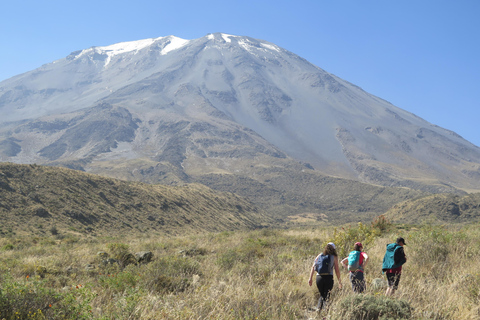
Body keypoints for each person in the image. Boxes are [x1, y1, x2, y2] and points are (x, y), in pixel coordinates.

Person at [308, 242, 342, 311]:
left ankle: (318, 309)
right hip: (328, 277)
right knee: (327, 295)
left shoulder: (319, 255)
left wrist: (310, 278)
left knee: (322, 294)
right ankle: (325, 311)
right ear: (333, 249)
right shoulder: (334, 257)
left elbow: (313, 266)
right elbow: (337, 270)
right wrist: (339, 281)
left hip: (319, 278)